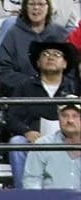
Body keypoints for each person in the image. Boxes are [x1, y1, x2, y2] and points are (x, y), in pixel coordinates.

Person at [6, 41, 77, 187]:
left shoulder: (74, 87)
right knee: (16, 143)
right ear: (38, 62)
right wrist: (26, 132)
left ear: (65, 63)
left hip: (70, 140)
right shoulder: (25, 86)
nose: (50, 57)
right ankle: (24, 196)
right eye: (45, 54)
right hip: (34, 141)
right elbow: (12, 117)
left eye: (57, 54)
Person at [0, 0, 69, 95]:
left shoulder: (60, 33)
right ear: (25, 7)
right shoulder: (13, 33)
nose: (36, 7)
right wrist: (30, 83)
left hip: (58, 94)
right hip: (22, 95)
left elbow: (70, 68)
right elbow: (2, 69)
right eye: (31, 4)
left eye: (40, 4)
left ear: (48, 7)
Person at [23, 97, 81, 189]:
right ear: (58, 117)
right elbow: (32, 181)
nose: (70, 120)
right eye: (65, 115)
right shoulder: (42, 145)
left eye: (75, 116)